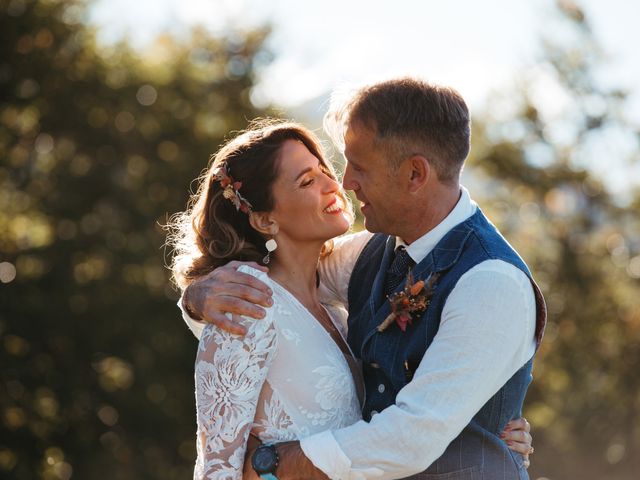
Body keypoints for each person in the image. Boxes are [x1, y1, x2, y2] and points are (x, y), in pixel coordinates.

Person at [176, 80, 540, 479]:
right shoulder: (366, 254)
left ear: (415, 173)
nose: (344, 182)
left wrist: (269, 465)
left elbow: (411, 436)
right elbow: (281, 295)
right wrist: (198, 295)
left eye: (360, 167)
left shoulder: (491, 282)